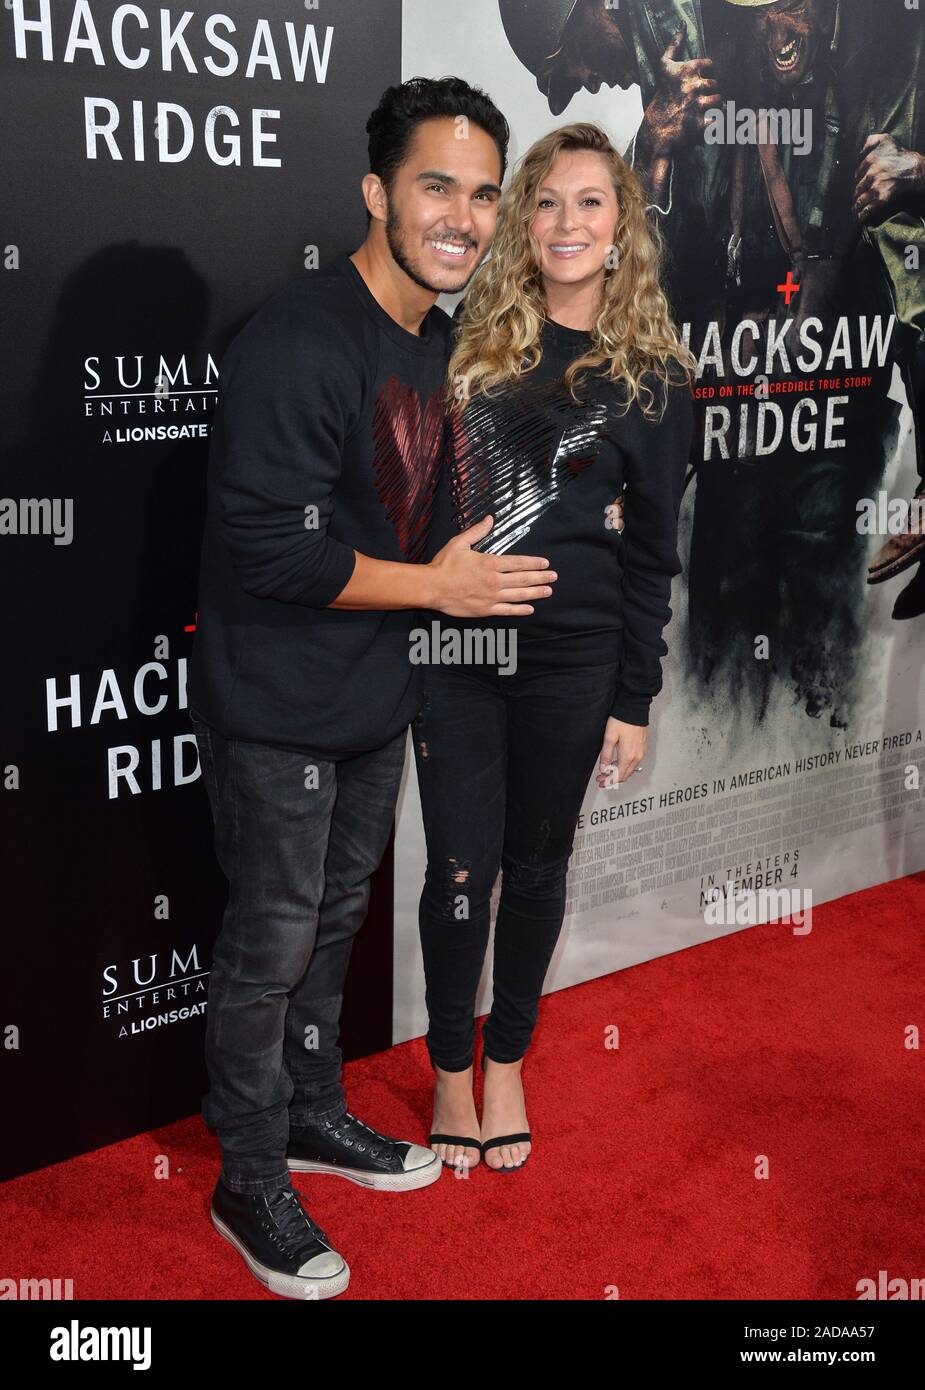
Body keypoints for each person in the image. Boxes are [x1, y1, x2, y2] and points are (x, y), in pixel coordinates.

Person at [187, 76, 559, 1300]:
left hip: (369, 696)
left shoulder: (437, 337)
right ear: (375, 194)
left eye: (481, 192)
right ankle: (246, 1173)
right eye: (435, 186)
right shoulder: (302, 338)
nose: (463, 214)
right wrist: (438, 593)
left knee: (333, 926)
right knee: (272, 942)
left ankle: (307, 1114)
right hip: (280, 699)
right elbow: (275, 551)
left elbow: (438, 508)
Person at [412, 122, 696, 1173]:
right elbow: (409, 502)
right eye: (545, 203)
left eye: (589, 203)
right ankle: (448, 1066)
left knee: (535, 867)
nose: (566, 223)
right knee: (456, 866)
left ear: (620, 231)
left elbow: (653, 555)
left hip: (575, 662)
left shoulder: (656, 382)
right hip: (453, 657)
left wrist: (634, 698)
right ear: (520, 225)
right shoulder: (460, 350)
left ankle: (507, 1064)